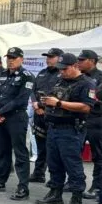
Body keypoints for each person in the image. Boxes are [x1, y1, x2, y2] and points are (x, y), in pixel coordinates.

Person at [34, 53, 95, 204]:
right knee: (54, 162)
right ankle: (55, 193)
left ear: (75, 66)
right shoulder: (60, 80)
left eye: (65, 69)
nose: (62, 72)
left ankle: (76, 198)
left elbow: (86, 107)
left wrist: (59, 103)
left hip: (71, 129)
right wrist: (45, 101)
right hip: (53, 127)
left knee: (72, 164)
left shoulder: (86, 84)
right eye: (60, 69)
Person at [0, 47, 35, 201]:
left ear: (21, 59)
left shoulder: (27, 76)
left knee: (20, 153)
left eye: (14, 57)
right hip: (0, 118)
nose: (10, 60)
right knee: (2, 151)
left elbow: (21, 100)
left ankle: (23, 187)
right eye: (9, 57)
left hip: (16, 118)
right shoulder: (2, 75)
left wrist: (0, 112)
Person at [29, 48, 64, 183]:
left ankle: (56, 178)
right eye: (47, 57)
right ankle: (38, 173)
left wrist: (42, 106)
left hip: (53, 114)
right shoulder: (42, 73)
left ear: (60, 58)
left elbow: (59, 95)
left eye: (52, 57)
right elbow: (33, 90)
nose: (48, 59)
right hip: (39, 113)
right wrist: (35, 104)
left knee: (54, 147)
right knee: (41, 146)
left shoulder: (62, 74)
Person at [77, 49, 102, 201]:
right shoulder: (79, 77)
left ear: (92, 61)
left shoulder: (100, 77)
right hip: (80, 119)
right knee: (75, 152)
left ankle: (97, 186)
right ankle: (76, 181)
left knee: (98, 156)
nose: (79, 63)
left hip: (96, 120)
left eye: (82, 60)